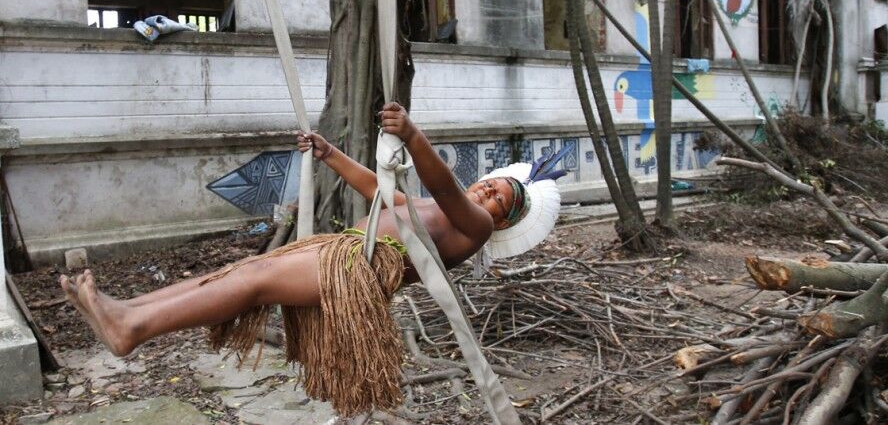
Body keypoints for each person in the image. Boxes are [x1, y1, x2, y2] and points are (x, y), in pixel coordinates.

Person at [59, 102, 564, 415]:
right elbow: (377, 187)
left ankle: (132, 329)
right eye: (491, 187)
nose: (489, 197)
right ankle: (126, 311)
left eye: (499, 202)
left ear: (500, 223)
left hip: (359, 270)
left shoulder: (472, 228)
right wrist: (329, 154)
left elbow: (443, 184)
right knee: (240, 271)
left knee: (254, 280)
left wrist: (412, 136)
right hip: (342, 249)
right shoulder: (434, 206)